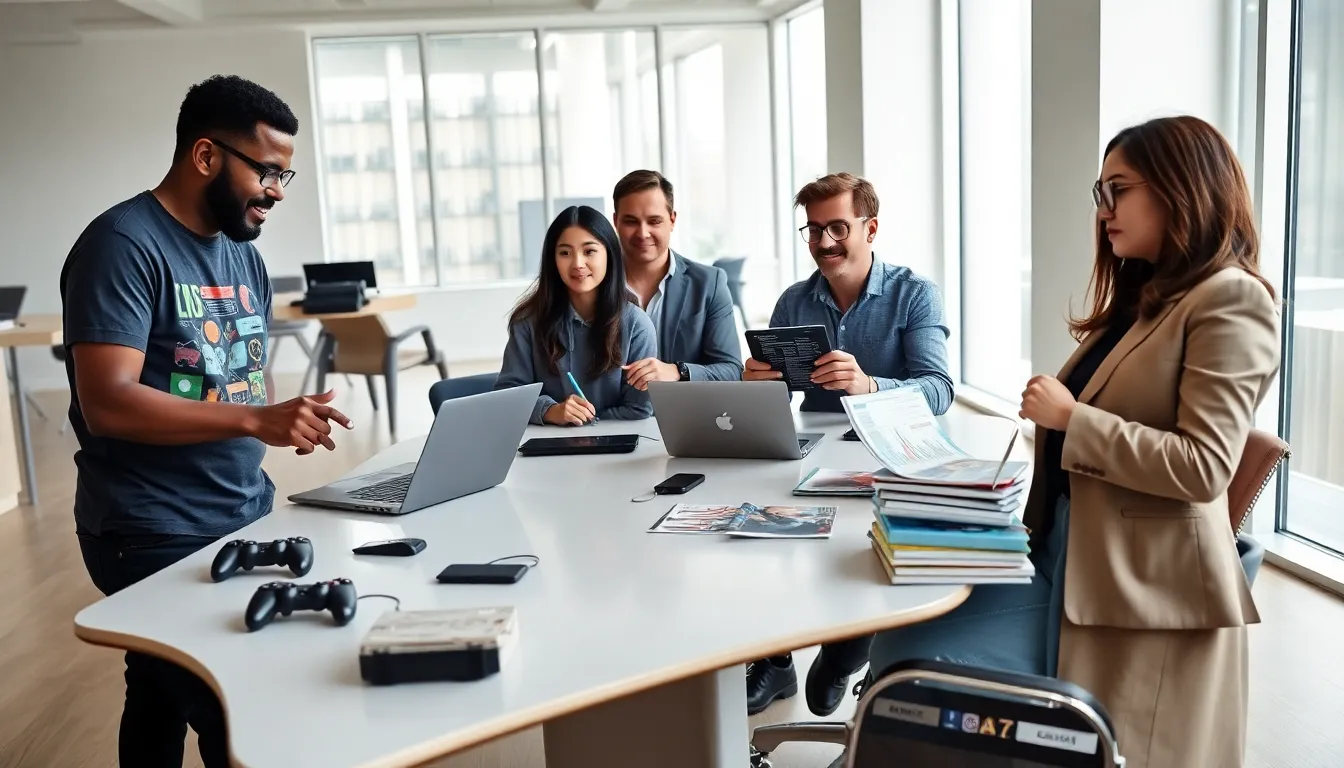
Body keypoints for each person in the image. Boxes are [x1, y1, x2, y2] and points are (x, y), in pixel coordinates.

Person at [866, 116, 1278, 768]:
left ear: (1181, 189)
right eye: (1100, 191)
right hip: (1065, 553)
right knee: (896, 639)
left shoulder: (1231, 301)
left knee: (911, 666)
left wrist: (1072, 420)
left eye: (1120, 188)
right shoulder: (1146, 300)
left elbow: (1204, 467)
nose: (1104, 209)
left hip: (1127, 585)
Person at [60, 75, 354, 768]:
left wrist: (284, 417)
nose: (278, 190)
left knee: (158, 691)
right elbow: (107, 401)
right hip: (149, 526)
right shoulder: (122, 245)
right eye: (268, 169)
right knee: (236, 711)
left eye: (286, 173)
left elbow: (245, 373)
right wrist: (255, 419)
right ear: (205, 156)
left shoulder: (242, 254)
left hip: (240, 512)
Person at [741, 172, 954, 716]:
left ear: (871, 227)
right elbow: (781, 392)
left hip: (890, 453)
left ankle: (846, 652)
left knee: (862, 551)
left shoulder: (914, 294)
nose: (825, 242)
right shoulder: (795, 300)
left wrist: (870, 386)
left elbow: (940, 389)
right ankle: (775, 658)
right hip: (817, 450)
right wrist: (758, 385)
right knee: (754, 531)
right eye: (813, 231)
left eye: (838, 227)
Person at [497, 205, 657, 424]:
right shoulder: (528, 322)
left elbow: (639, 409)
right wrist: (549, 411)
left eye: (589, 251)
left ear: (609, 255)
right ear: (553, 260)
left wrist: (587, 420)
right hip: (549, 445)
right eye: (565, 253)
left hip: (616, 446)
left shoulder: (637, 324)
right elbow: (507, 396)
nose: (577, 264)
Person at [612, 170, 744, 389]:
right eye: (631, 221)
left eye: (654, 221)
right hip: (613, 418)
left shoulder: (709, 284)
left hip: (686, 418)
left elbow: (732, 370)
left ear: (672, 220)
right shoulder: (593, 283)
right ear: (615, 221)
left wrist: (676, 371)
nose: (643, 233)